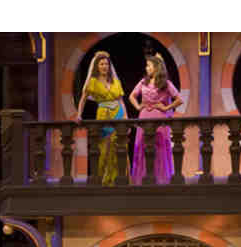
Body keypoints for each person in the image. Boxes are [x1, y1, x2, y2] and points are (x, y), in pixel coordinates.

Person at [128, 53, 183, 185]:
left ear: (156, 67)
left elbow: (179, 100)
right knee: (143, 146)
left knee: (159, 148)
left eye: (149, 66)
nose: (146, 68)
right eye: (146, 66)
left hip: (159, 118)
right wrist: (138, 107)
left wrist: (166, 107)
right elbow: (132, 96)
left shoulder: (165, 83)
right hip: (144, 117)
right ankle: (142, 177)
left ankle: (161, 178)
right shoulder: (143, 81)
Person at [76, 51, 127, 186]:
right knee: (104, 148)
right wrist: (79, 114)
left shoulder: (115, 81)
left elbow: (121, 101)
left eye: (106, 64)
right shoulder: (93, 82)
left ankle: (117, 179)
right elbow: (83, 99)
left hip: (118, 114)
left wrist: (126, 118)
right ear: (97, 66)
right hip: (103, 116)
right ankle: (102, 181)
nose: (104, 66)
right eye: (102, 64)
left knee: (117, 147)